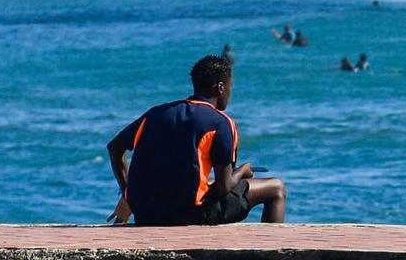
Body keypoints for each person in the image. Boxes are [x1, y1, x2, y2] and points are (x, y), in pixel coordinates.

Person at [107, 54, 285, 226]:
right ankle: (274, 250)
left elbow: (114, 148)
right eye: (231, 86)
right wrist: (242, 171)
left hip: (146, 214)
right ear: (221, 87)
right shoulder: (221, 122)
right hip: (191, 214)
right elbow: (223, 187)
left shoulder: (155, 114)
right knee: (276, 188)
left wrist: (127, 192)